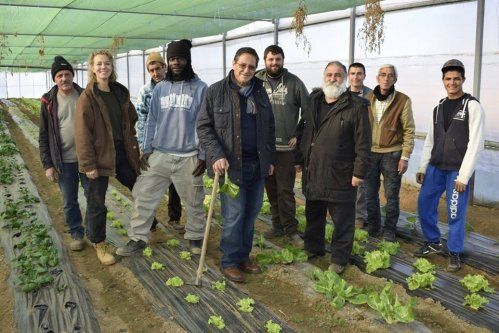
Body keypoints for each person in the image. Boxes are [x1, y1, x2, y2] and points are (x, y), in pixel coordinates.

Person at [116, 40, 207, 256]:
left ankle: (195, 236)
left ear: (187, 60)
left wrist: (203, 155)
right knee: (144, 195)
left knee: (194, 200)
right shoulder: (161, 89)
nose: (176, 62)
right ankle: (137, 238)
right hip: (161, 154)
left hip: (188, 156)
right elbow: (152, 121)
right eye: (173, 59)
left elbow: (205, 123)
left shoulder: (201, 88)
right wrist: (147, 149)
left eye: (180, 58)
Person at [197, 47, 276, 283]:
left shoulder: (260, 93)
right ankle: (229, 261)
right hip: (231, 166)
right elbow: (204, 127)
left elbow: (269, 127)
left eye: (252, 66)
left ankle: (243, 256)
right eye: (242, 65)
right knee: (234, 215)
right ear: (234, 64)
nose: (246, 70)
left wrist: (269, 159)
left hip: (256, 164)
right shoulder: (216, 91)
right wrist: (216, 154)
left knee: (251, 214)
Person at [296, 61, 371, 274]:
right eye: (329, 74)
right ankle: (313, 247)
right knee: (314, 213)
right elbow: (303, 131)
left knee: (343, 219)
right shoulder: (313, 101)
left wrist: (359, 172)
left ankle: (339, 258)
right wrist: (298, 159)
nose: (332, 78)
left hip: (341, 173)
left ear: (345, 78)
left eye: (338, 75)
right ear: (323, 76)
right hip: (314, 168)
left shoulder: (356, 106)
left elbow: (363, 142)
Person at [415, 59, 485, 272]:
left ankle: (454, 252)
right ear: (443, 81)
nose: (452, 82)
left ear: (463, 80)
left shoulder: (472, 106)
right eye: (448, 79)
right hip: (435, 167)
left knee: (455, 212)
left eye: (456, 78)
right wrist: (422, 166)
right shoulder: (438, 108)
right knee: (424, 205)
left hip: (456, 171)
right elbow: (430, 139)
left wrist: (464, 176)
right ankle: (433, 242)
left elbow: (476, 143)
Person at [75, 50, 141, 266]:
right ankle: (99, 243)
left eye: (107, 64)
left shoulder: (119, 92)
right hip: (99, 157)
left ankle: (152, 228)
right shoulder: (87, 98)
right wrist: (88, 165)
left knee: (140, 189)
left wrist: (128, 136)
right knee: (96, 202)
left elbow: (132, 116)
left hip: (121, 152)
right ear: (92, 68)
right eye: (99, 64)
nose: (103, 67)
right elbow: (82, 133)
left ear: (112, 67)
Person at [255, 45, 309, 247]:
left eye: (278, 59)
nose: (274, 63)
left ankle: (291, 230)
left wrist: (299, 135)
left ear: (283, 60)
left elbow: (309, 111)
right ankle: (277, 225)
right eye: (270, 59)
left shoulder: (294, 83)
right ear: (265, 60)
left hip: (286, 150)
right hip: (264, 148)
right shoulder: (257, 81)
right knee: (270, 188)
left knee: (285, 190)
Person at [39, 55, 86, 251]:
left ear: (73, 76)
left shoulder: (85, 95)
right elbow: (43, 135)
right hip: (63, 161)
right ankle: (76, 233)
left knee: (94, 198)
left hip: (87, 159)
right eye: (60, 75)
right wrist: (48, 165)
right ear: (54, 79)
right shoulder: (48, 101)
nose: (64, 79)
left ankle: (95, 234)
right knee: (69, 200)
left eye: (67, 74)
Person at [364, 64, 415, 242]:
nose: (386, 78)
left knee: (391, 195)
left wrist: (405, 156)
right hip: (370, 153)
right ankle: (373, 226)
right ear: (377, 78)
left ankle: (389, 230)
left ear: (395, 79)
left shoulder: (402, 100)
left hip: (392, 153)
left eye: (390, 75)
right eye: (383, 75)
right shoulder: (367, 98)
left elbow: (409, 130)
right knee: (370, 194)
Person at [135, 51, 183, 231]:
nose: (155, 73)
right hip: (155, 146)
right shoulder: (145, 92)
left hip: (176, 143)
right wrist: (143, 146)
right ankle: (151, 221)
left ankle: (174, 218)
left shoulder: (177, 86)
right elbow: (141, 120)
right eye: (151, 70)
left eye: (158, 68)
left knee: (176, 182)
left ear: (165, 67)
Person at [347, 62, 372, 229]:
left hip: (364, 143)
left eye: (359, 73)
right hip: (347, 144)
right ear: (348, 76)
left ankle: (360, 217)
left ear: (364, 76)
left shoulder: (371, 96)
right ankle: (347, 213)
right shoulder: (342, 94)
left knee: (363, 182)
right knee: (347, 181)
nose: (356, 77)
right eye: (353, 73)